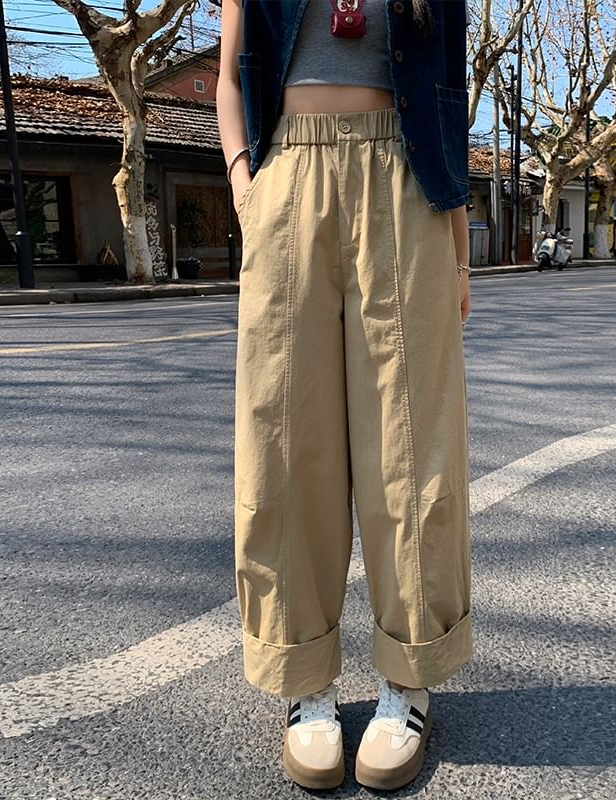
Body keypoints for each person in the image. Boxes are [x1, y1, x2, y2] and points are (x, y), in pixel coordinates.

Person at [216, 0, 472, 792]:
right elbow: (230, 77)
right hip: (288, 177)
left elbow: (448, 97)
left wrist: (460, 251)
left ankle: (410, 676)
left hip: (406, 183)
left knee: (411, 445)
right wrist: (246, 187)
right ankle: (303, 679)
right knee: (284, 440)